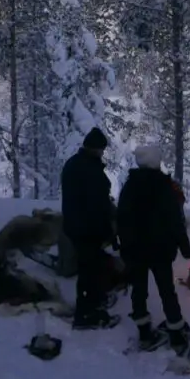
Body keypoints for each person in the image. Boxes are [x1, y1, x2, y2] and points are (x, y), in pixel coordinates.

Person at [116, 145, 190, 354]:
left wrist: (123, 245)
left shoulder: (129, 187)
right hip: (160, 250)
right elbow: (174, 219)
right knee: (167, 291)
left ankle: (144, 333)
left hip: (136, 251)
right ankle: (176, 334)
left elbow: (121, 219)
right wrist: (184, 247)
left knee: (138, 292)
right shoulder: (164, 186)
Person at [61, 127, 120, 330]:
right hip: (87, 229)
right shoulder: (90, 170)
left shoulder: (74, 164)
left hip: (76, 226)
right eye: (101, 149)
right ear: (95, 148)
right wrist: (107, 231)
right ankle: (86, 314)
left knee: (90, 268)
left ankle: (93, 304)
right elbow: (98, 205)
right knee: (89, 272)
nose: (102, 153)